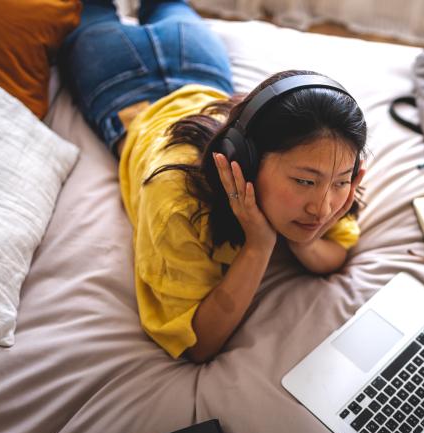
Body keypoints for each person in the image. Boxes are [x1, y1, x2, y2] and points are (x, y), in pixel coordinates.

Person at [60, 0, 367, 363]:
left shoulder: (328, 158)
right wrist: (258, 247)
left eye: (340, 182)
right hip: (123, 85)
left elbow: (333, 254)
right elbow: (197, 343)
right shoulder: (177, 199)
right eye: (304, 182)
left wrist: (304, 236)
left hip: (201, 69)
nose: (323, 206)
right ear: (246, 159)